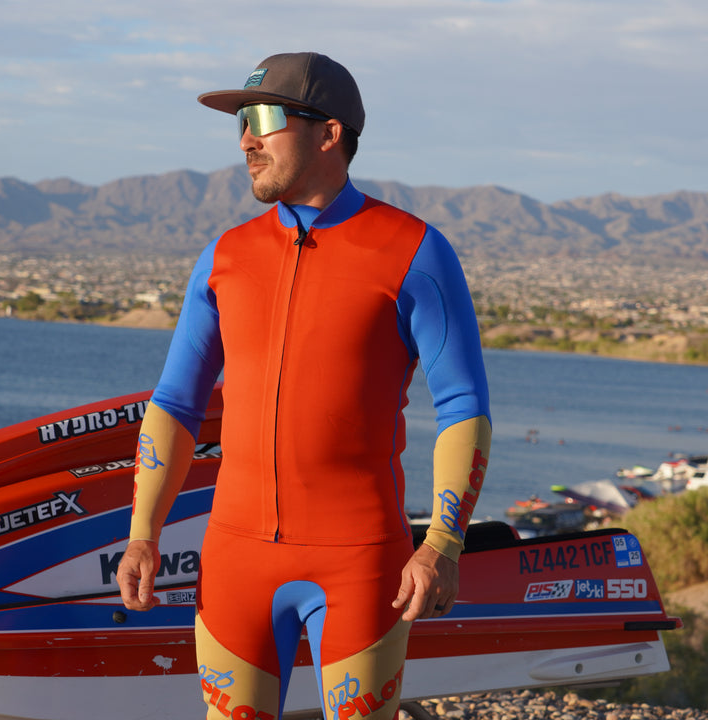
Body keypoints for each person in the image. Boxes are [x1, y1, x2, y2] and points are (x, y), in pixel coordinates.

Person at [116, 51, 492, 720]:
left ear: (329, 132)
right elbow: (175, 402)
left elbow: (463, 405)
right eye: (239, 122)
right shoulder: (225, 257)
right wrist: (143, 531)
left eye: (263, 118)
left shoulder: (413, 251)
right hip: (234, 560)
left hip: (360, 563)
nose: (245, 140)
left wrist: (442, 542)